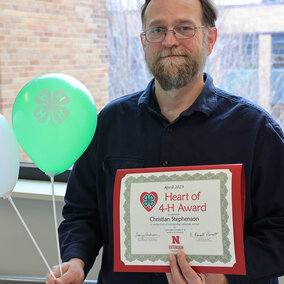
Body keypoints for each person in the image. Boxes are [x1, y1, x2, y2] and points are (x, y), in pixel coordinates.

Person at [46, 0, 284, 283]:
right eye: (157, 30)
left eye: (184, 28)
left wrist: (223, 277)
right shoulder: (109, 123)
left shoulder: (256, 130)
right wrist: (76, 260)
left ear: (211, 39)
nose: (169, 40)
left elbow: (280, 231)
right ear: (144, 42)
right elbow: (82, 211)